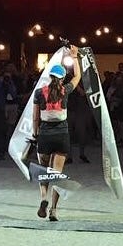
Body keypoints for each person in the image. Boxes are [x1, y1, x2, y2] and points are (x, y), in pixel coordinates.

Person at [33, 45, 81, 221]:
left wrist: (34, 134)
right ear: (62, 78)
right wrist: (74, 57)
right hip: (62, 134)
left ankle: (43, 198)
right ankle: (53, 210)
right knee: (57, 175)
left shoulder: (39, 93)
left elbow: (35, 118)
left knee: (44, 172)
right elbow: (77, 76)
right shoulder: (65, 91)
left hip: (45, 134)